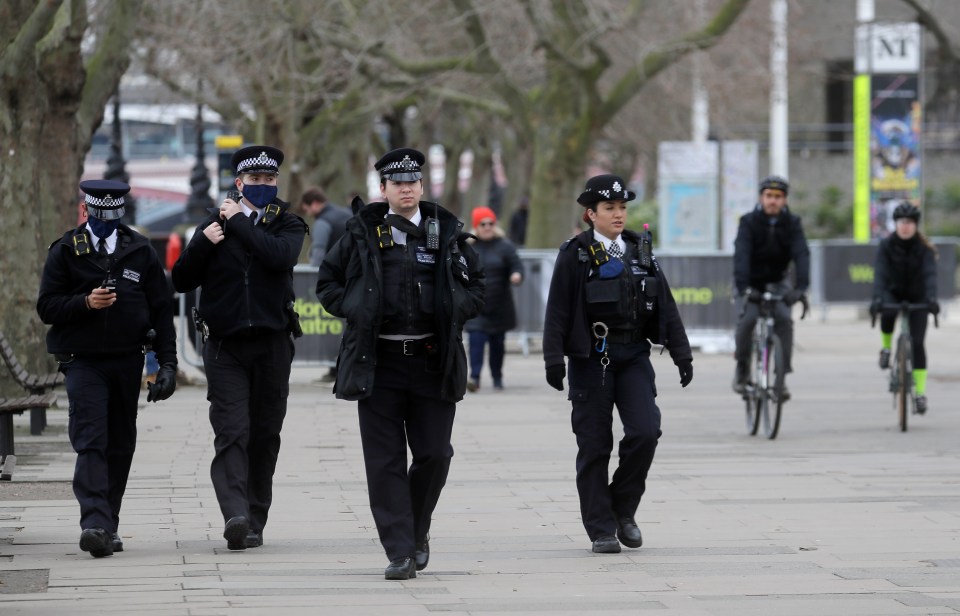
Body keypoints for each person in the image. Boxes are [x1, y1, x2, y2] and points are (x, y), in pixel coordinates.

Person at [316, 147, 484, 580]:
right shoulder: (360, 232)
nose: (406, 189)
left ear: (421, 187)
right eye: (397, 183)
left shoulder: (445, 230)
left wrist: (455, 307)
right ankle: (400, 550)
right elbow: (327, 283)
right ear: (384, 189)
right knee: (384, 461)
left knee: (434, 454)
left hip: (431, 360)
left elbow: (477, 286)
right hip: (379, 362)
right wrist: (355, 308)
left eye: (412, 182)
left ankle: (416, 527)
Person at [542, 173, 693, 554]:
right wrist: (552, 359)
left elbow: (666, 305)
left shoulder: (640, 250)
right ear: (591, 214)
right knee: (594, 445)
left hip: (633, 355)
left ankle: (623, 509)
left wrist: (681, 353)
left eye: (623, 207)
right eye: (610, 208)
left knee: (645, 432)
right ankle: (601, 528)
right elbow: (557, 309)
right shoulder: (574, 254)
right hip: (590, 359)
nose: (618, 214)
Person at [171, 145, 307, 551]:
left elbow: (279, 257)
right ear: (239, 182)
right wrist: (202, 245)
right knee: (232, 431)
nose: (262, 185)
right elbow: (180, 279)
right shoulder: (213, 224)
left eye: (269, 180)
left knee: (264, 434)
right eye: (254, 180)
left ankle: (255, 517)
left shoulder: (288, 223)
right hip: (225, 346)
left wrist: (241, 223)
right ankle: (235, 514)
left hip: (272, 344)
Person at [37, 179, 178, 558]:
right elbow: (47, 307)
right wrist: (85, 303)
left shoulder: (139, 250)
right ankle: (94, 522)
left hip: (127, 359)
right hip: (82, 362)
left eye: (112, 219)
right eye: (99, 218)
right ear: (87, 211)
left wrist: (167, 364)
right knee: (91, 440)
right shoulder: (67, 250)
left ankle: (108, 522)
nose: (105, 226)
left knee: (120, 443)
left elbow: (162, 311)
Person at [732, 175, 810, 399]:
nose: (773, 201)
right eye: (769, 196)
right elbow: (741, 256)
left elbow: (801, 254)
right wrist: (744, 287)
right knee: (747, 321)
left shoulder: (792, 224)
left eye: (778, 197)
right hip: (750, 281)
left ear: (785, 200)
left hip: (778, 281)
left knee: (785, 319)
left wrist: (801, 288)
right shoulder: (748, 222)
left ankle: (781, 377)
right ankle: (742, 368)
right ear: (761, 198)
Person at [869, 202, 938, 414]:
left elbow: (930, 276)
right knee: (887, 312)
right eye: (901, 222)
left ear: (916, 225)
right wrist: (878, 297)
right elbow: (880, 274)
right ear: (895, 224)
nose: (905, 227)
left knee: (917, 343)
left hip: (917, 296)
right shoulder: (886, 245)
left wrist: (932, 299)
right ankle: (887, 348)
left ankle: (919, 393)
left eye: (909, 223)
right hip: (893, 292)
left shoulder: (924, 249)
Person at [464, 206, 523, 392]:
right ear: (476, 226)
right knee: (476, 341)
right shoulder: (468, 247)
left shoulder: (505, 246)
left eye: (491, 223)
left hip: (500, 305)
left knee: (498, 344)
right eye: (483, 224)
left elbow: (517, 265)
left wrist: (516, 275)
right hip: (477, 305)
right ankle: (474, 377)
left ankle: (497, 377)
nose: (488, 227)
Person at [301, 187, 354, 382]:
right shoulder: (345, 213)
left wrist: (312, 278)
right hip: (354, 279)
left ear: (314, 203)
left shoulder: (323, 221)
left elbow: (318, 254)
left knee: (331, 327)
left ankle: (335, 369)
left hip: (335, 282)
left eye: (307, 208)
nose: (307, 213)